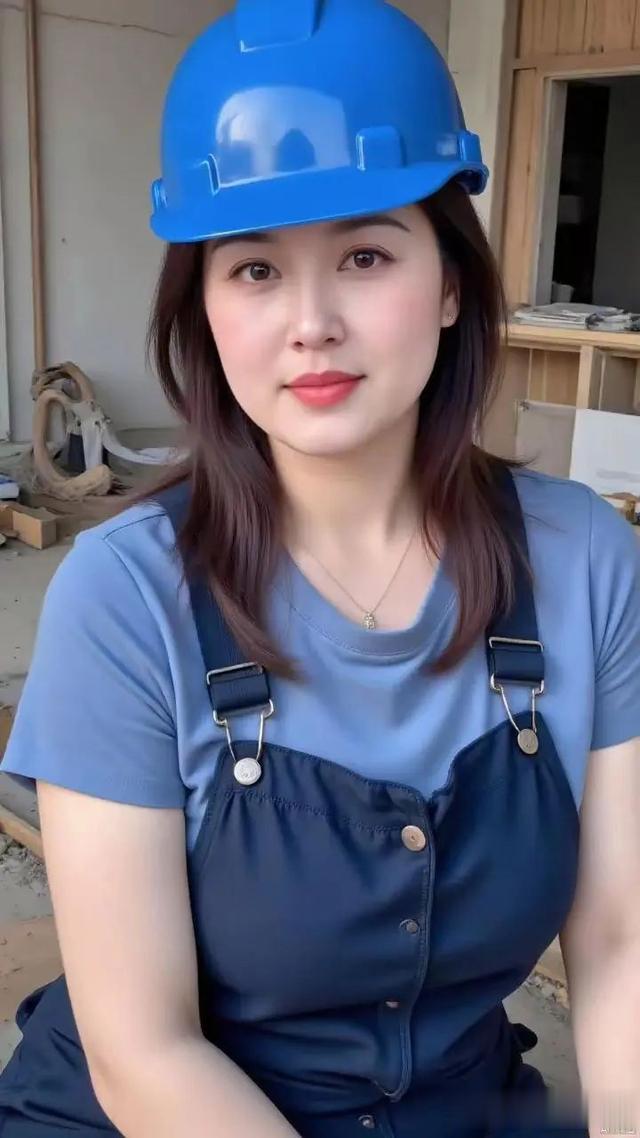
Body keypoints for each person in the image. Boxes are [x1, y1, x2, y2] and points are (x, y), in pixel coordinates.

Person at [0, 1, 639, 1135]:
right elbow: (143, 1051)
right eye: (254, 269)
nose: (311, 323)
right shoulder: (126, 599)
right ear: (203, 308)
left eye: (364, 256)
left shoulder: (584, 559)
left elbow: (621, 941)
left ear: (451, 282)